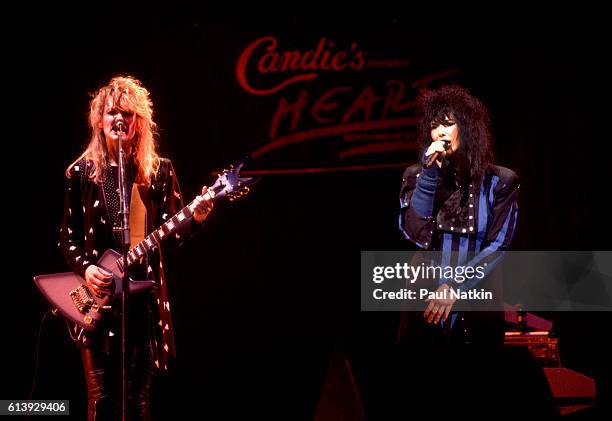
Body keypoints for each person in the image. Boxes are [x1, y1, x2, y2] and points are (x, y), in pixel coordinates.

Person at [59, 75, 214, 420]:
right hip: (96, 303)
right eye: (112, 112)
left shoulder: (158, 172)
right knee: (99, 401)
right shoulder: (82, 173)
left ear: (139, 122)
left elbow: (172, 235)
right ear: (99, 120)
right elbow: (67, 238)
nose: (119, 119)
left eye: (128, 114)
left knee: (138, 402)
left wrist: (197, 217)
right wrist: (87, 268)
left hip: (142, 305)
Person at [395, 85, 520, 415]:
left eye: (447, 123)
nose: (439, 131)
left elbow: (498, 243)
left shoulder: (500, 181)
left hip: (477, 299)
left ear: (467, 127)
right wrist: (428, 176)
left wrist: (456, 286)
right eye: (433, 125)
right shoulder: (416, 176)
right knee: (422, 395)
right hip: (423, 297)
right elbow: (415, 234)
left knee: (475, 394)